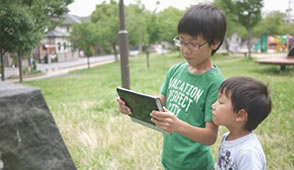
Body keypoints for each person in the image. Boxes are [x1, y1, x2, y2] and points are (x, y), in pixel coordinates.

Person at [117, 4, 227, 170]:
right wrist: (131, 106)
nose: (185, 49)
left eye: (193, 44)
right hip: (170, 161)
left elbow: (210, 136)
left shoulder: (215, 83)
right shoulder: (176, 70)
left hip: (196, 165)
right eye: (181, 41)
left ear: (215, 43)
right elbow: (158, 105)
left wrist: (178, 126)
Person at [212, 76, 272, 170]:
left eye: (220, 102)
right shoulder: (226, 137)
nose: (213, 106)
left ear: (240, 115)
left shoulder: (249, 153)